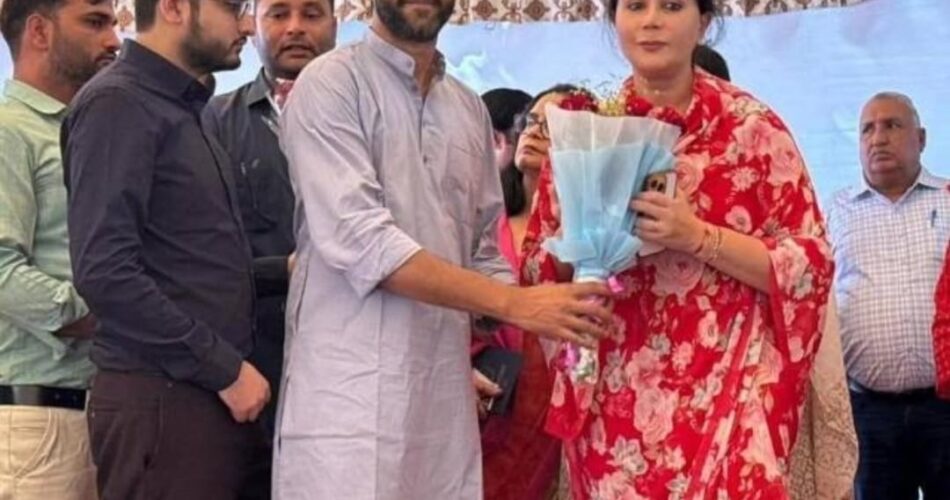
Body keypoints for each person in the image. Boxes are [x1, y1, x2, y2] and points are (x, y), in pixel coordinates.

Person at [272, 0, 615, 495]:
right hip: (348, 404)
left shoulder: (466, 108)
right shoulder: (330, 84)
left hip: (444, 400)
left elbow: (483, 247)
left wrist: (550, 309)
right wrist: (515, 304)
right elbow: (362, 239)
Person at [520, 0, 833, 497]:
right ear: (614, 20)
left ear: (704, 22)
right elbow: (537, 270)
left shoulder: (752, 130)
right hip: (615, 398)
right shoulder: (586, 133)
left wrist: (698, 237)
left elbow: (810, 266)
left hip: (731, 390)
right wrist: (587, 244)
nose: (651, 21)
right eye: (634, 6)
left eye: (670, 5)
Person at [62, 1, 272, 498]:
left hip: (202, 400)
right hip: (163, 398)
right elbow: (105, 273)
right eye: (234, 7)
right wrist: (223, 369)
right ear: (175, 7)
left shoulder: (186, 109)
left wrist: (284, 270)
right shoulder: (118, 103)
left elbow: (188, 264)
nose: (247, 24)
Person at [0, 1, 118, 498]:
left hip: (95, 413)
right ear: (39, 31)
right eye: (95, 22)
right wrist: (122, 315)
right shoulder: (9, 130)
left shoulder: (88, 132)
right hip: (38, 422)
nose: (114, 40)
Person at [204, 0, 338, 438]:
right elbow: (198, 256)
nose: (295, 28)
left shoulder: (373, 120)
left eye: (312, 15)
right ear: (253, 27)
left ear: (336, 24)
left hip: (354, 362)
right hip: (252, 370)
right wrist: (283, 270)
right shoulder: (212, 121)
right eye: (279, 15)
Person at [827, 92, 950, 500]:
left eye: (892, 126)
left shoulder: (949, 199)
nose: (878, 138)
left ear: (922, 138)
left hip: (945, 408)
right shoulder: (835, 211)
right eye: (867, 129)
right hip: (868, 412)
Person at [478, 84, 589, 500]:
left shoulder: (587, 236)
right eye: (531, 121)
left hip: (550, 401)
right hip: (481, 394)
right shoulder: (483, 220)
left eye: (554, 126)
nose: (535, 132)